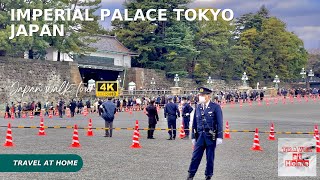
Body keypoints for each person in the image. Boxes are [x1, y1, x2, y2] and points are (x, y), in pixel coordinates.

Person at [187, 87, 223, 180]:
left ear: (208, 96)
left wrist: (220, 136)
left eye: (202, 95)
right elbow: (194, 122)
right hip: (199, 137)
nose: (200, 97)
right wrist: (193, 136)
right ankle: (190, 175)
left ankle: (208, 175)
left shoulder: (215, 107)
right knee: (195, 157)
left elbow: (219, 122)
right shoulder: (198, 107)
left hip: (211, 137)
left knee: (210, 158)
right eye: (200, 95)